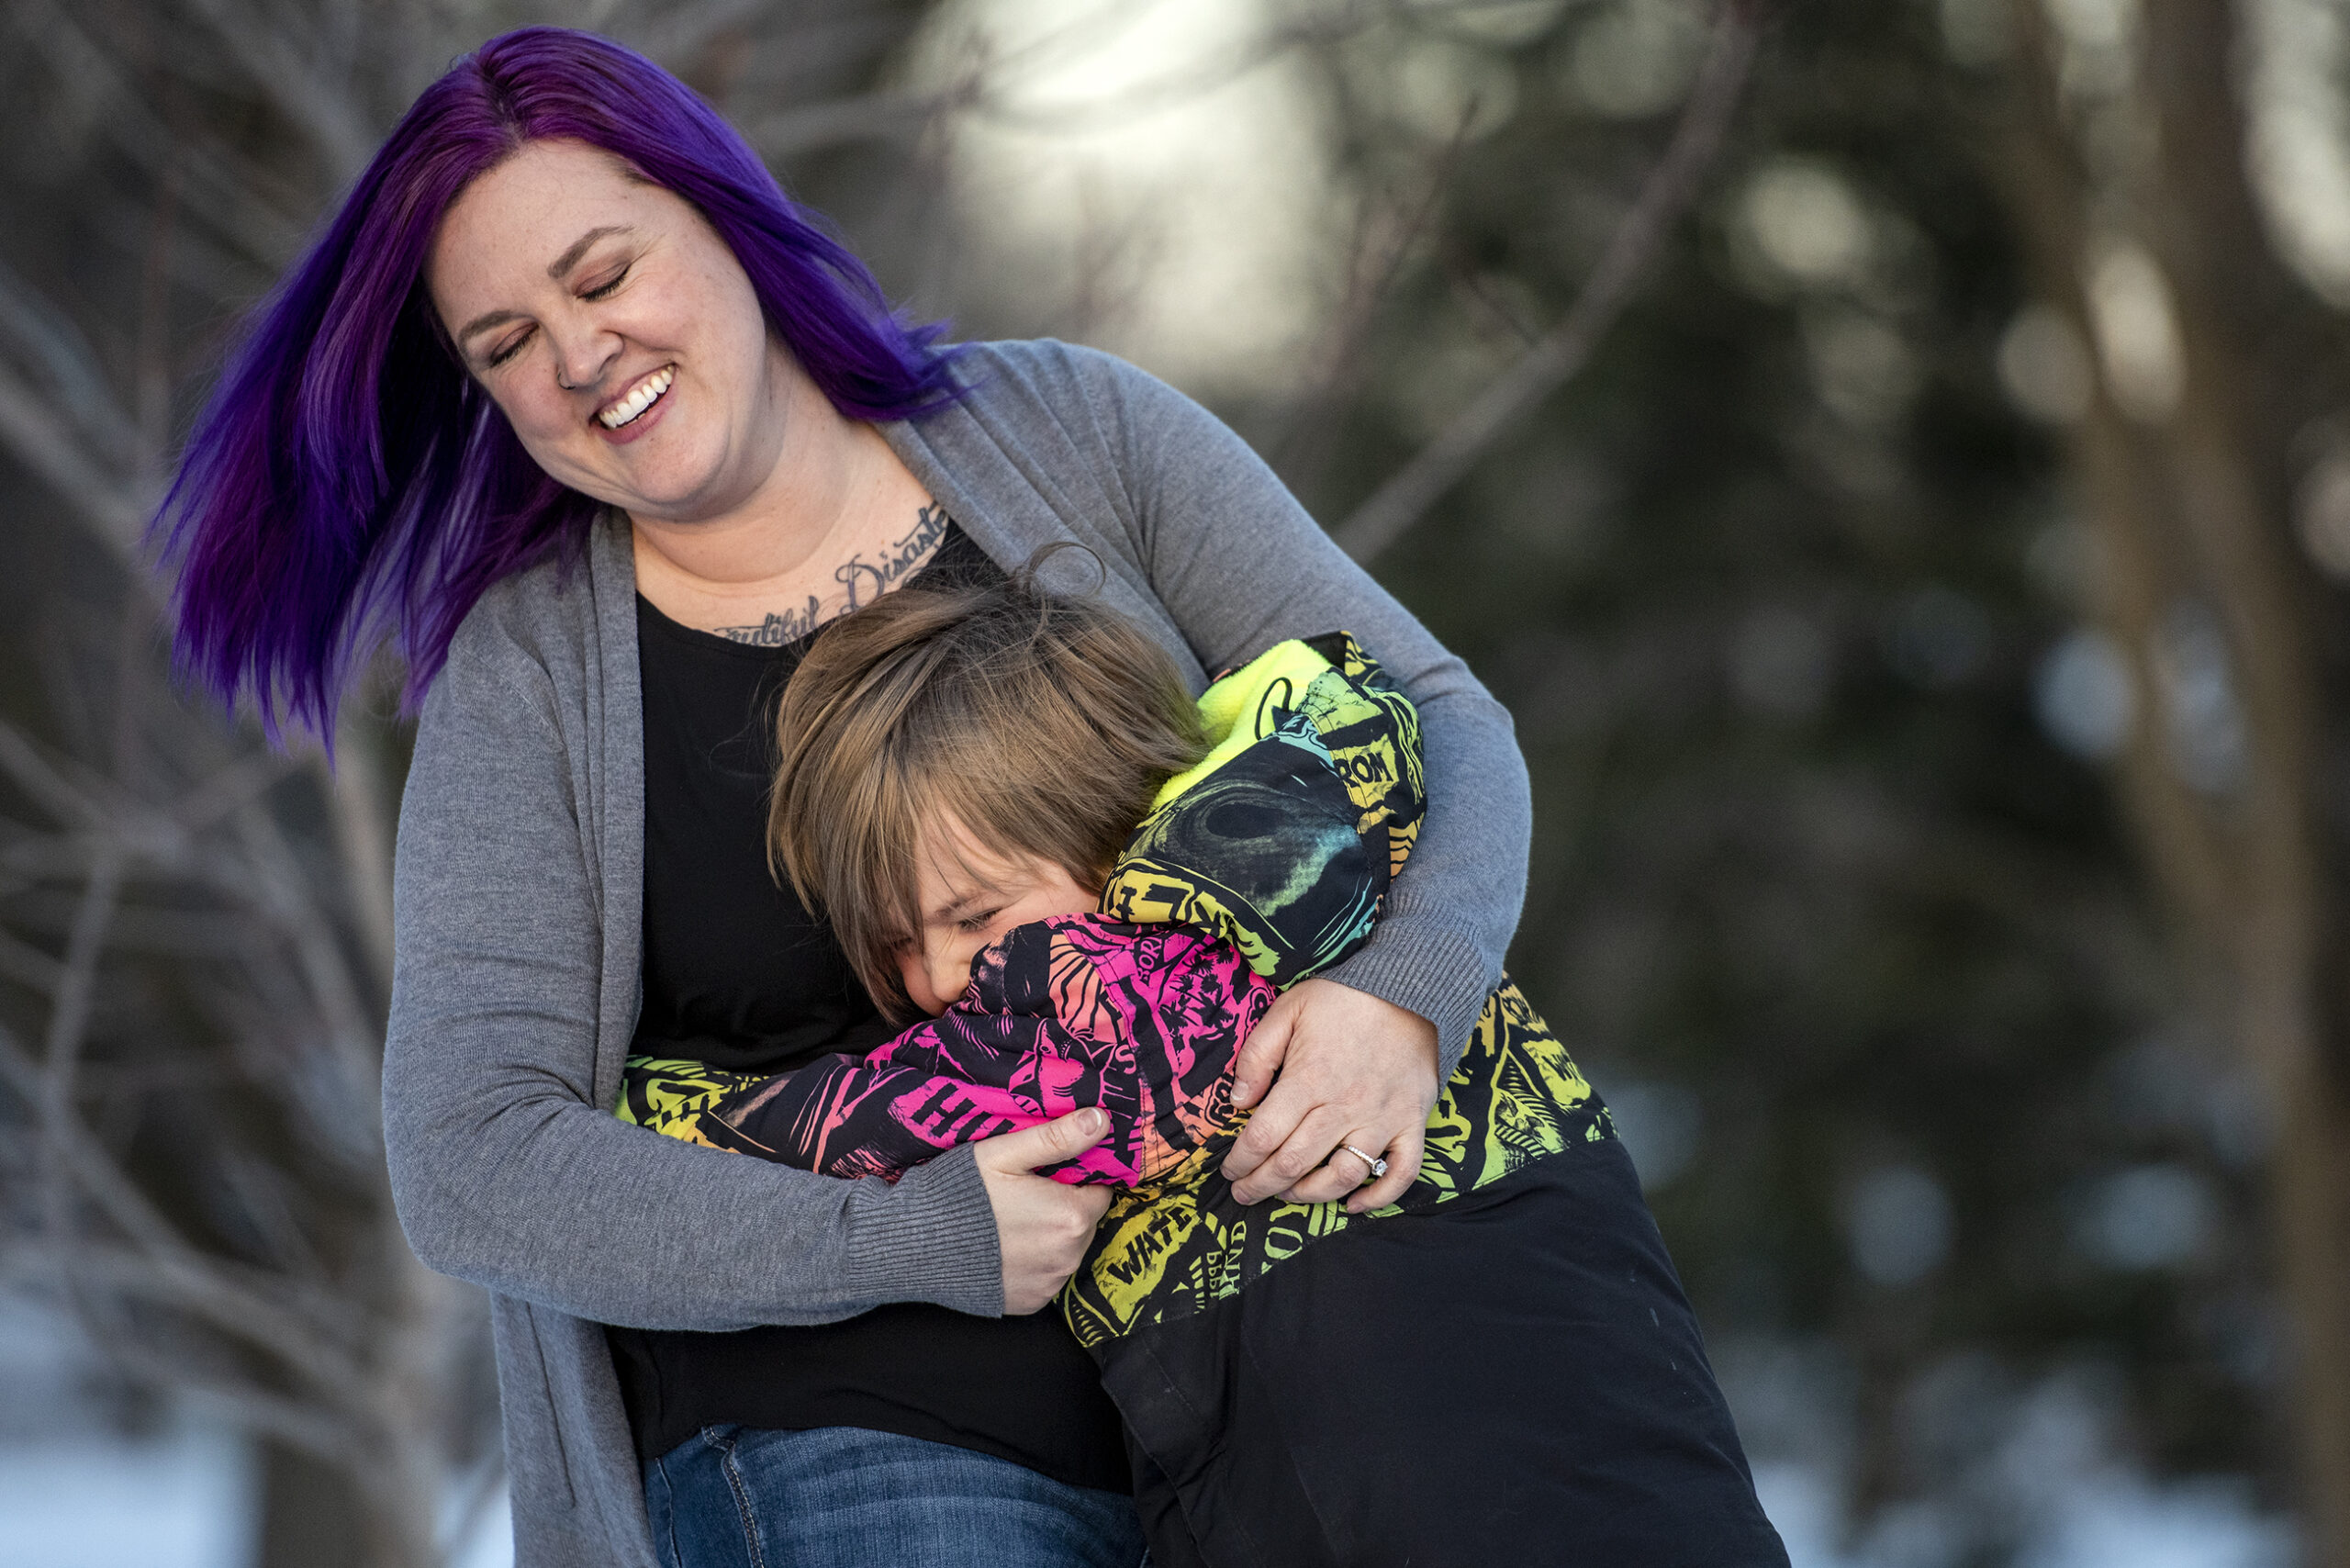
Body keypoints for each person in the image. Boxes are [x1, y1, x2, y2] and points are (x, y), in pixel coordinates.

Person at [152, 25, 1550, 1568]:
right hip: (839, 1418)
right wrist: (900, 1236)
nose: (576, 355)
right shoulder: (532, 677)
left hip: (1245, 1375)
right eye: (503, 343)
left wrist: (1399, 998)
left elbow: (1434, 715)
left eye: (604, 275)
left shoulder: (1073, 434)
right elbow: (470, 1154)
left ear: (724, 218)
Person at [621, 574, 1787, 1566]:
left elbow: (817, 1134)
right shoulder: (1348, 860)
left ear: (1111, 825)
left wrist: (634, 1105)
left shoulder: (1126, 995)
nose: (935, 978)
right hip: (1628, 1446)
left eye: (971, 917)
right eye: (892, 946)